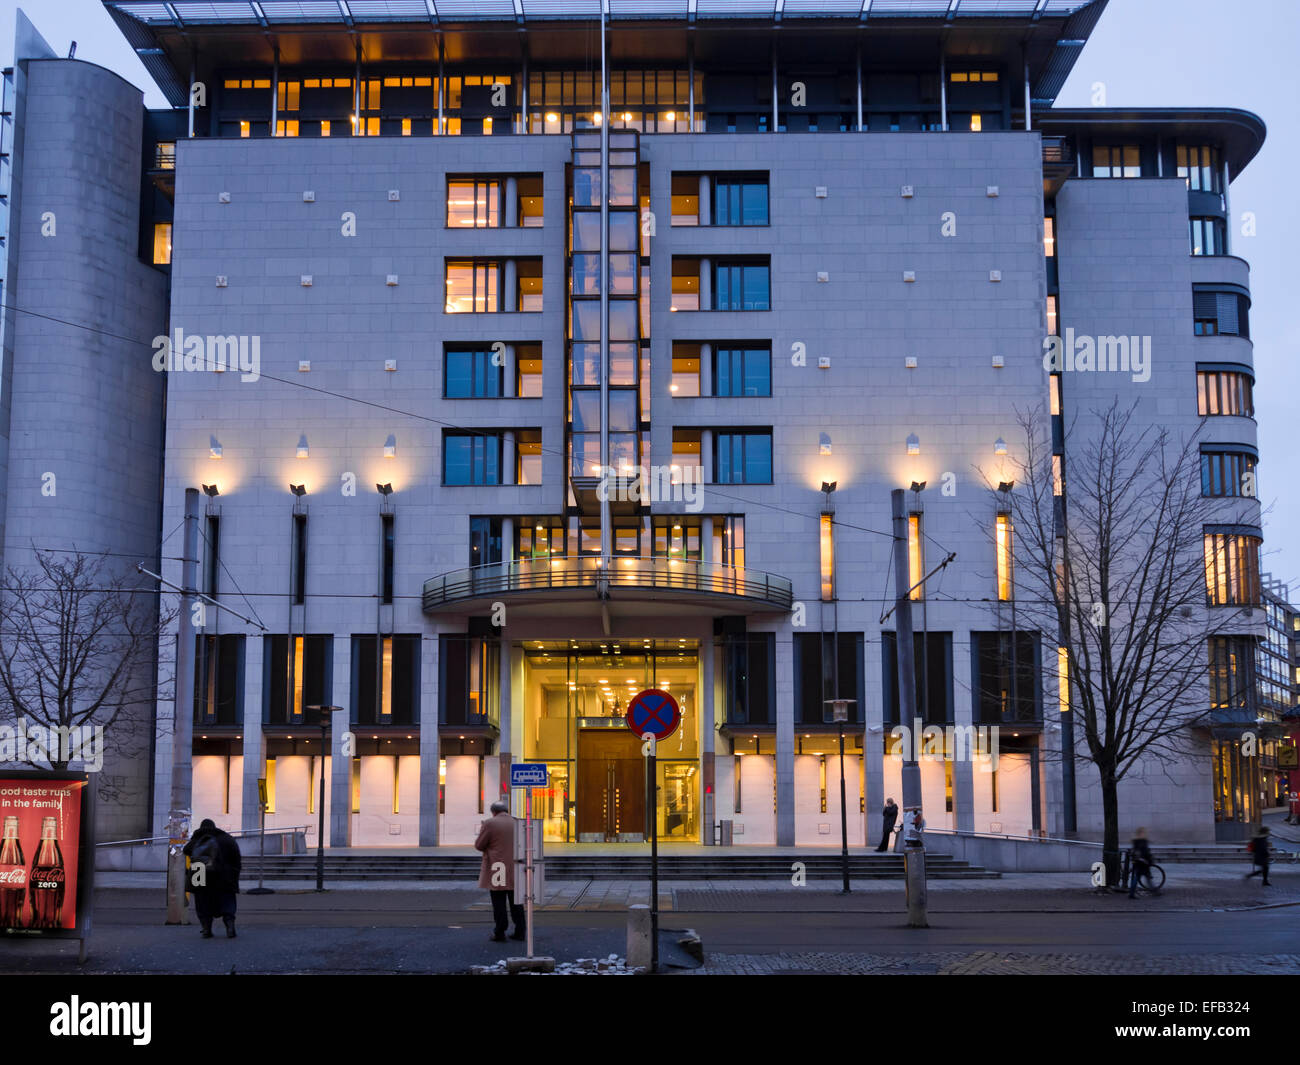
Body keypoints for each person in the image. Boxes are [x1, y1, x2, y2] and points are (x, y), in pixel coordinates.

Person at [183, 818, 241, 938]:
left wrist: (196, 837)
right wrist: (234, 873)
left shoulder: (198, 839)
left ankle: (206, 928)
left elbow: (186, 850)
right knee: (227, 900)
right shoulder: (226, 838)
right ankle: (230, 925)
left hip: (200, 874)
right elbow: (236, 857)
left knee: (202, 901)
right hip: (224, 875)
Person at [476, 800, 525, 943]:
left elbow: (479, 845)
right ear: (506, 810)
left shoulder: (490, 823)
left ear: (493, 812)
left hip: (498, 866)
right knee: (516, 901)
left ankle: (500, 931)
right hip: (516, 866)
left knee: (499, 901)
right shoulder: (517, 822)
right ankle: (520, 931)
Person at [1128, 826, 1158, 898]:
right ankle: (1154, 891)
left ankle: (1132, 893)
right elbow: (1145, 852)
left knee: (1141, 877)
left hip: (1138, 862)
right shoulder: (1142, 842)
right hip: (1142, 862)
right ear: (1142, 833)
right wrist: (1149, 859)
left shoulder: (1136, 841)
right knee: (1145, 877)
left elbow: (1135, 851)